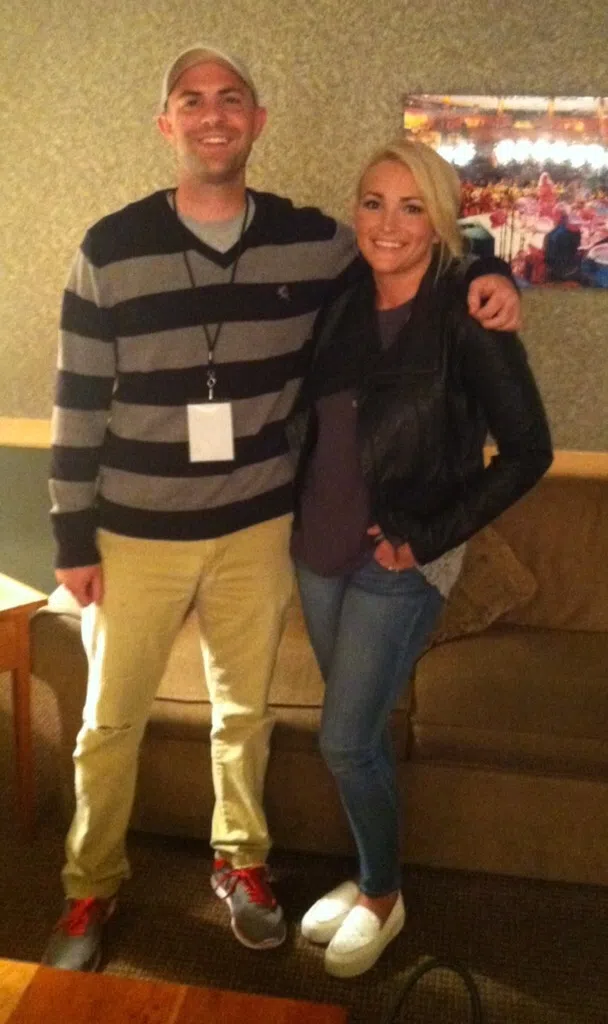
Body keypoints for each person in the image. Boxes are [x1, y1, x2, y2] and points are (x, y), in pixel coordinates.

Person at [42, 45, 521, 972]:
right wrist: (70, 535)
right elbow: (77, 402)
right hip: (135, 532)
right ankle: (89, 884)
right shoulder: (110, 247)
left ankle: (242, 864)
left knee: (243, 713)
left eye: (231, 99)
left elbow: (412, 245)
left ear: (257, 122)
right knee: (109, 723)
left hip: (257, 525)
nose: (213, 115)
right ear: (167, 124)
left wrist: (490, 271)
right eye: (192, 100)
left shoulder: (314, 243)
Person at [290, 139, 553, 978]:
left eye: (413, 207)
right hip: (317, 552)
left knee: (342, 739)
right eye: (373, 202)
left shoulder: (466, 317)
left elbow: (530, 452)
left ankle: (382, 894)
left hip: (400, 562)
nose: (389, 224)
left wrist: (429, 538)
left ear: (439, 221)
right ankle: (371, 871)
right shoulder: (340, 299)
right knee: (360, 732)